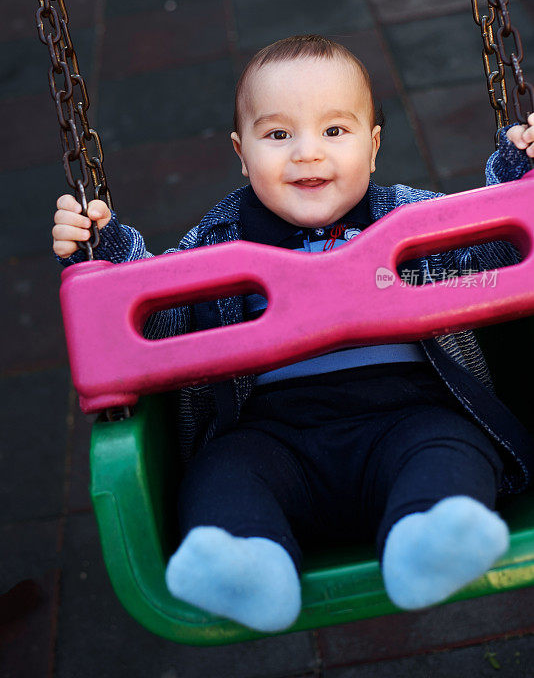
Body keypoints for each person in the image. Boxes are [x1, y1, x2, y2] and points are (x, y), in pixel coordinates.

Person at [52, 35, 534, 633]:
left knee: (451, 447)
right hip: (274, 440)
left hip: (409, 418)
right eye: (278, 135)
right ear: (242, 153)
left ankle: (430, 538)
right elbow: (157, 317)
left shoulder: (408, 218)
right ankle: (247, 565)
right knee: (221, 472)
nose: (308, 154)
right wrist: (102, 253)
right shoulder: (218, 242)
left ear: (374, 145)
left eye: (335, 131)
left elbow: (493, 248)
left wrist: (520, 175)